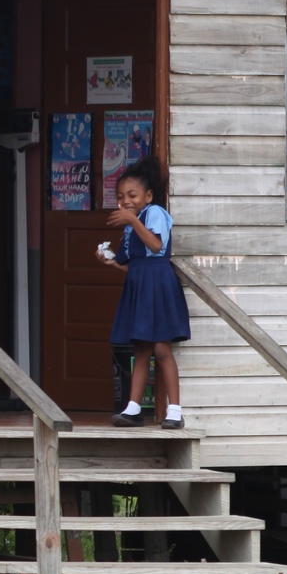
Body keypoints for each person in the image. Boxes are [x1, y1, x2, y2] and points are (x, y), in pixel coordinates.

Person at [97, 158, 190, 429]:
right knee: (141, 349)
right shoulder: (131, 226)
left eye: (132, 195)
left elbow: (156, 243)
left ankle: (174, 410)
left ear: (147, 196)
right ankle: (133, 408)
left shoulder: (154, 213)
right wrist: (111, 262)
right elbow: (134, 267)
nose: (125, 201)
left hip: (159, 288)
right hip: (140, 289)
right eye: (121, 197)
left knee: (161, 348)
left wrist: (131, 220)